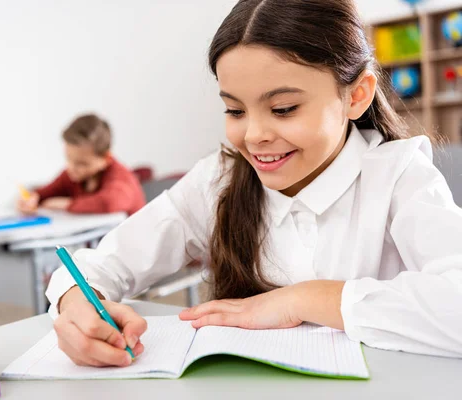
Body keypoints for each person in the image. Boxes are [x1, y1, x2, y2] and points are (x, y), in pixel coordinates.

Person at [45, 0, 462, 368]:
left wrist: (301, 299)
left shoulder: (398, 175)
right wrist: (76, 305)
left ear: (356, 96)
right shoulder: (220, 179)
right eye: (235, 110)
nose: (254, 135)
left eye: (283, 108)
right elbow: (101, 264)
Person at [17, 113, 145, 216]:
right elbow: (46, 192)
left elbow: (110, 202)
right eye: (68, 159)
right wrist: (33, 199)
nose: (71, 168)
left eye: (82, 164)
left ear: (106, 158)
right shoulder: (72, 175)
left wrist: (68, 204)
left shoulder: (121, 177)